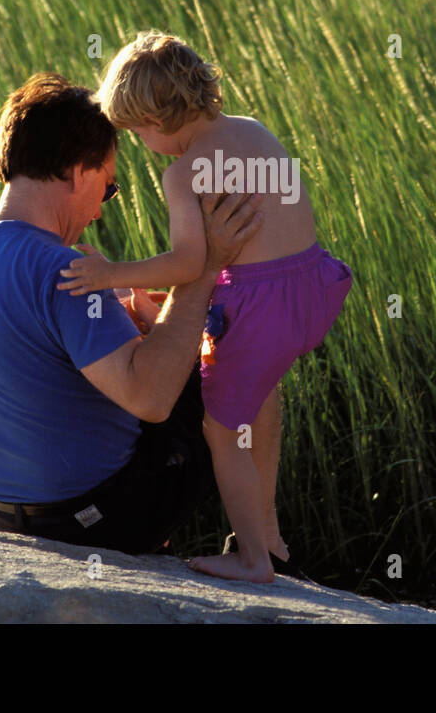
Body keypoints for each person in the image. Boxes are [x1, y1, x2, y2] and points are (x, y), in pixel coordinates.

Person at [0, 72, 262, 556]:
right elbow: (152, 399)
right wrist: (206, 268)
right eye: (109, 188)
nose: (100, 211)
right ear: (79, 171)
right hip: (92, 517)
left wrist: (103, 334)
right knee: (246, 361)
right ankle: (265, 551)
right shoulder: (66, 270)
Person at [57, 32, 353, 583]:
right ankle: (266, 528)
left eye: (137, 130)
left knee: (220, 431)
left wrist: (110, 274)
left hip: (260, 310)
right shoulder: (254, 132)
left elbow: (192, 262)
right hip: (312, 288)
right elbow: (255, 248)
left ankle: (253, 559)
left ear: (155, 118)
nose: (141, 142)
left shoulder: (184, 171)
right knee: (259, 401)